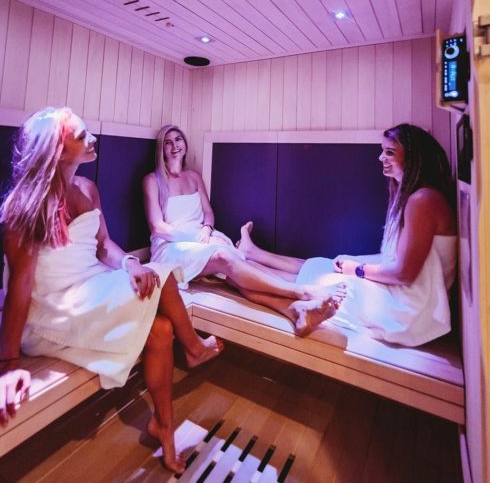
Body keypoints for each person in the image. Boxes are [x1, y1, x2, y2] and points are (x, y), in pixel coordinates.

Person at [0, 107, 224, 473]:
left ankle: (163, 428)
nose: (93, 140)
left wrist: (129, 264)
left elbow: (104, 245)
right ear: (58, 149)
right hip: (53, 308)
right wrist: (8, 363)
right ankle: (195, 349)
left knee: (162, 327)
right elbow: (21, 287)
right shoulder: (25, 206)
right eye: (82, 136)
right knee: (163, 274)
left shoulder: (87, 188)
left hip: (93, 285)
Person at [234, 124, 457, 347]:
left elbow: (404, 274)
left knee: (323, 281)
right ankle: (250, 255)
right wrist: (355, 261)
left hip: (409, 309)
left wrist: (357, 269)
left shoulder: (423, 200)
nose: (381, 157)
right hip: (404, 295)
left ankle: (239, 267)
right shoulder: (414, 197)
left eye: (389, 152)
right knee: (324, 264)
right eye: (382, 150)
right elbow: (395, 258)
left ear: (414, 157)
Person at [143, 125, 347, 336]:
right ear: (161, 149)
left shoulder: (193, 177)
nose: (174, 146)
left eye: (178, 139)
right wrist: (199, 237)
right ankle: (304, 292)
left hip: (201, 240)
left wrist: (207, 229)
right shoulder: (153, 180)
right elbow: (158, 228)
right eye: (167, 142)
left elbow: (208, 213)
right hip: (171, 249)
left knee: (237, 274)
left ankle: (296, 311)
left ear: (185, 144)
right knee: (225, 256)